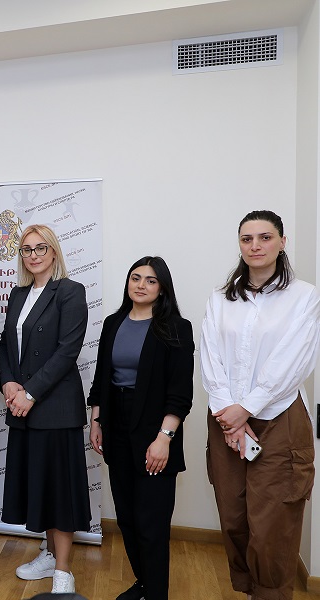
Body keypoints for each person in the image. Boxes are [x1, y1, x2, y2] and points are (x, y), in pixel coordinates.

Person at [201, 210, 320, 600]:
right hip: (225, 419)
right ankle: (251, 591)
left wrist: (246, 410)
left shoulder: (304, 296)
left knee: (272, 527)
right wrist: (229, 414)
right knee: (234, 518)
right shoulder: (220, 298)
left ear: (282, 242)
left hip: (279, 419)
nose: (255, 246)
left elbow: (292, 360)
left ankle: (269, 594)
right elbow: (211, 357)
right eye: (247, 238)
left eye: (265, 237)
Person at [88, 257, 194, 600]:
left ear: (162, 288)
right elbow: (101, 378)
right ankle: (145, 583)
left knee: (151, 523)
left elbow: (180, 394)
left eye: (150, 280)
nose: (141, 285)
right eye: (136, 278)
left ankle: (156, 594)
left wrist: (164, 439)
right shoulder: (113, 323)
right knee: (127, 518)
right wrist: (97, 421)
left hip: (155, 427)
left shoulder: (176, 328)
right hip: (115, 424)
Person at [0, 224, 90, 594]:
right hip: (23, 406)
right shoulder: (18, 294)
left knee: (59, 492)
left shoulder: (70, 291)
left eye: (41, 248)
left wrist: (30, 393)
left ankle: (63, 572)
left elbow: (68, 351)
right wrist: (8, 382)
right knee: (39, 485)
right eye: (26, 249)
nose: (33, 255)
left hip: (54, 408)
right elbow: (5, 344)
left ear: (53, 252)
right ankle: (49, 554)